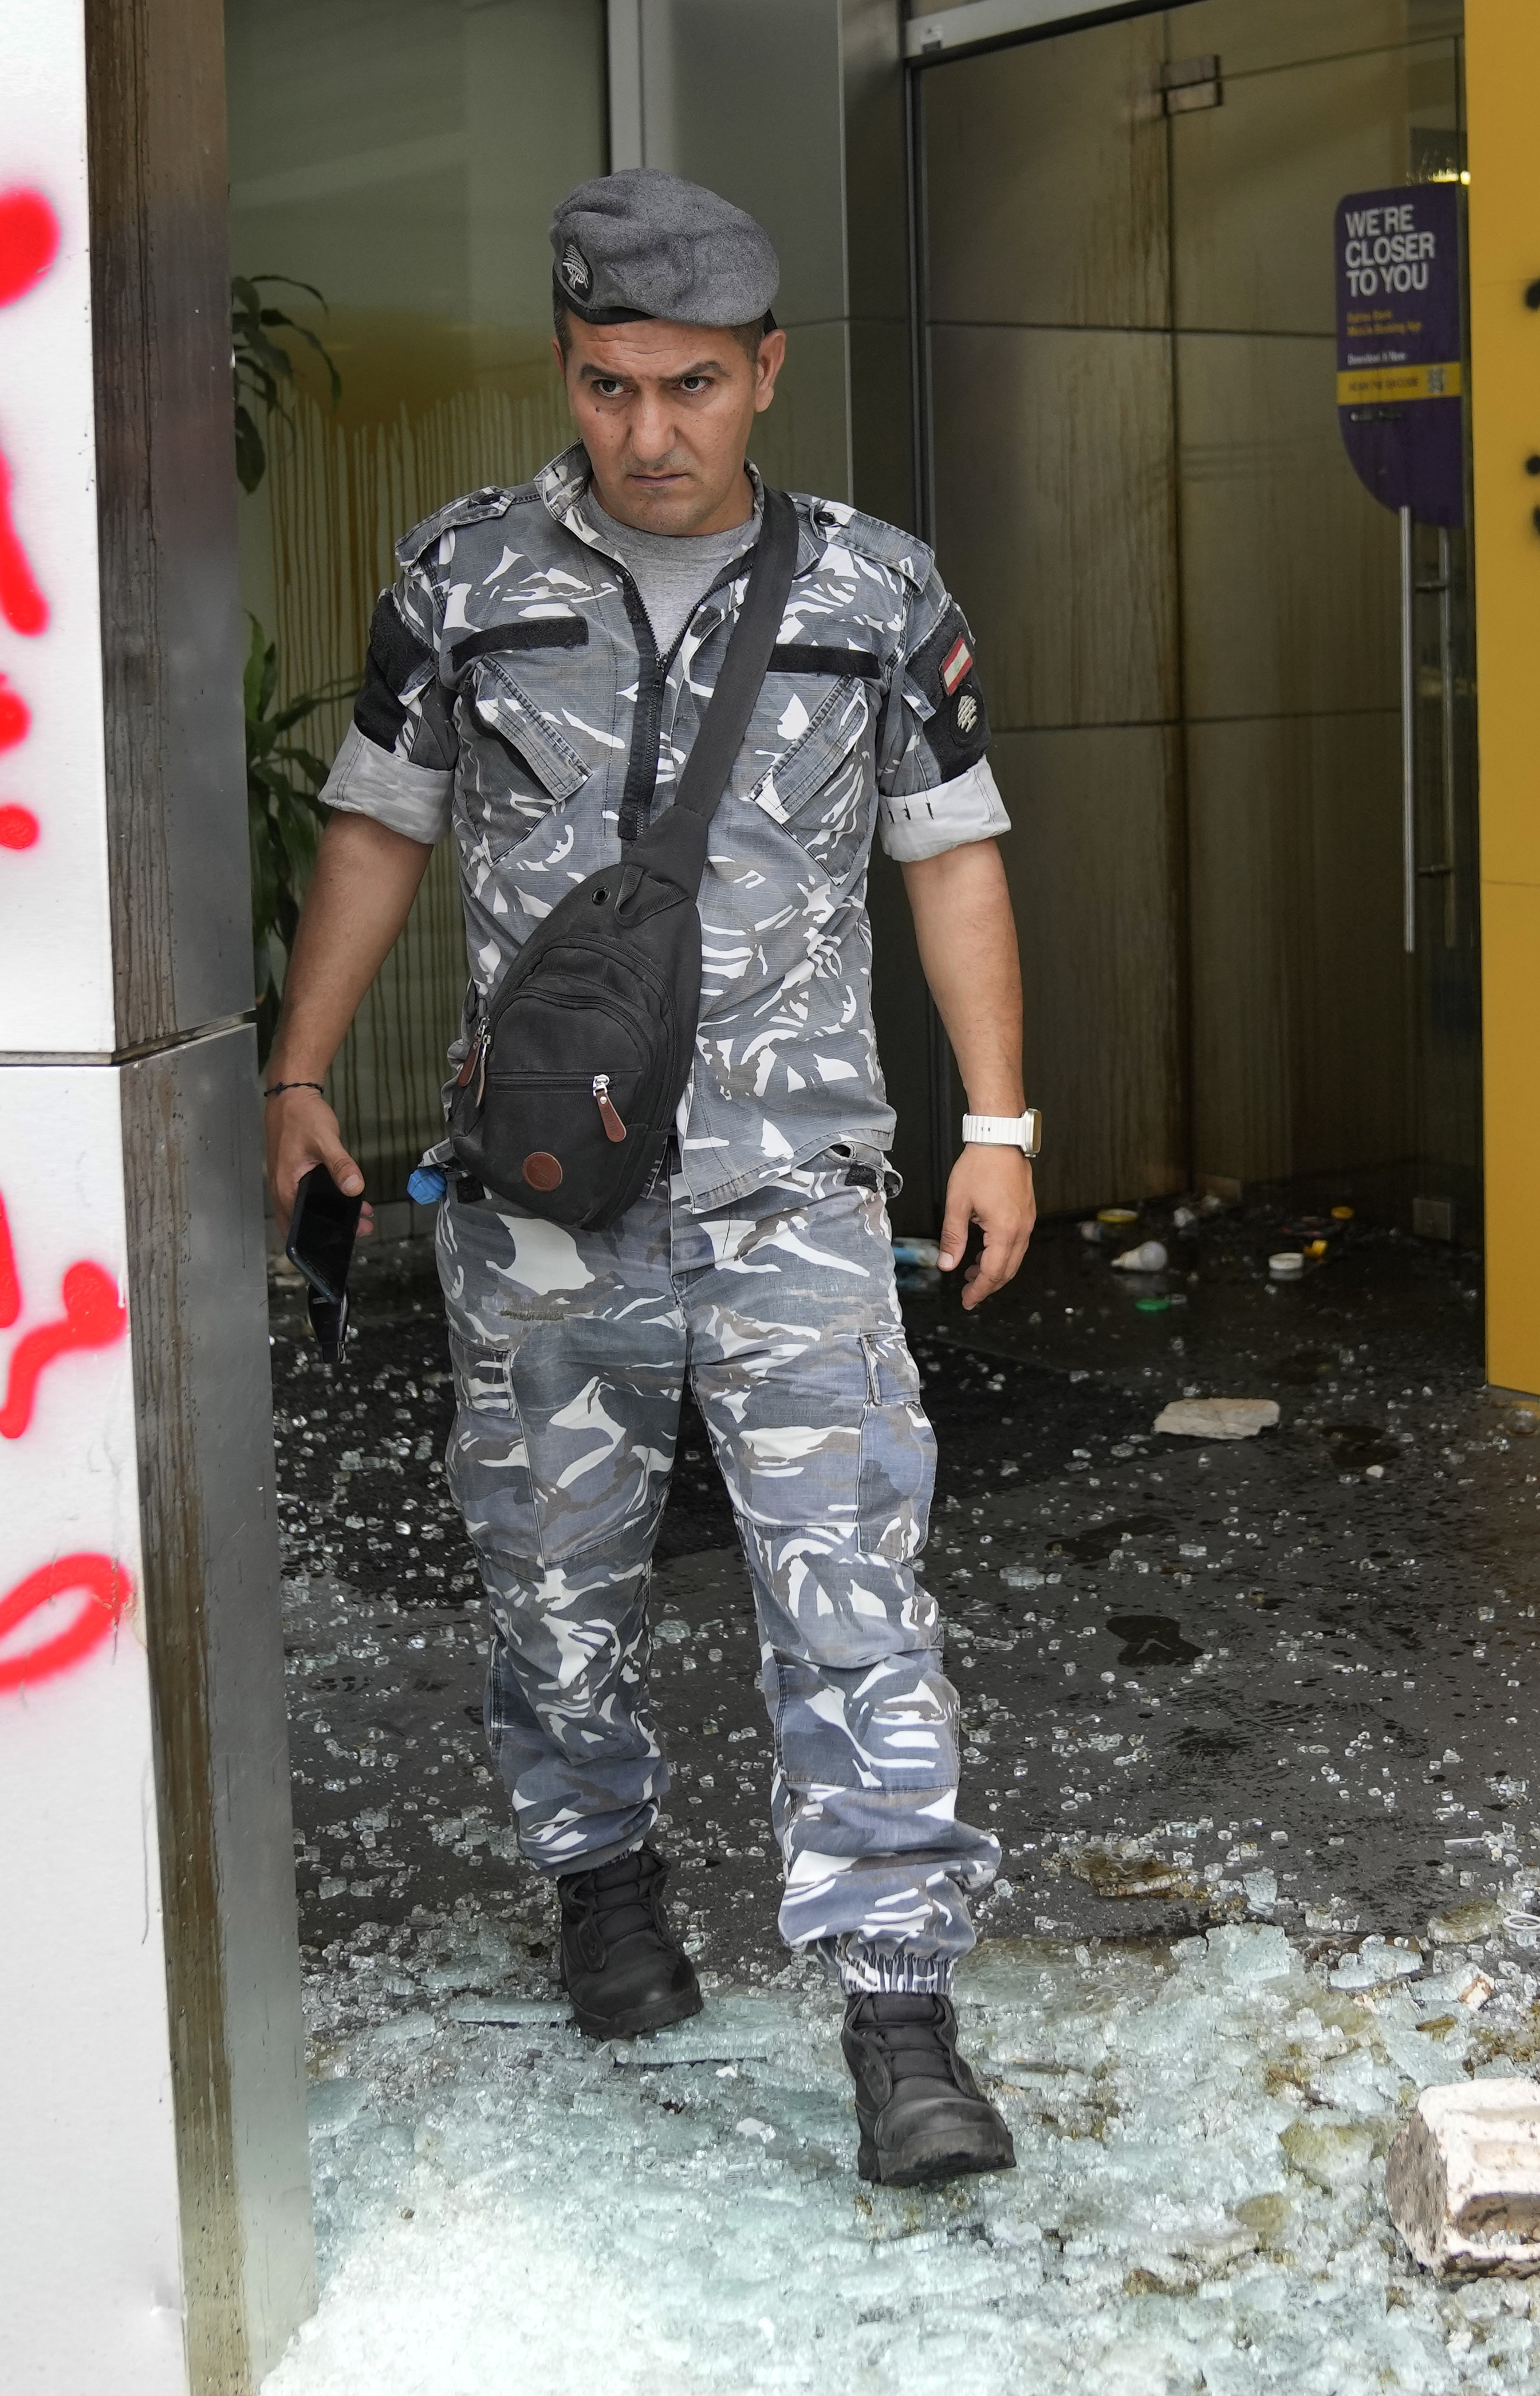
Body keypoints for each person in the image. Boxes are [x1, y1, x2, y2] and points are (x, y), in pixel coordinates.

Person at [263, 170, 1039, 2190]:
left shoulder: (878, 592)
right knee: (548, 1585)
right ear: (569, 369)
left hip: (795, 1194)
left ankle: (899, 2011)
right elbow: (377, 833)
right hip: (537, 1202)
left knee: (850, 1588)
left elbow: (952, 854)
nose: (652, 431)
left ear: (766, 370)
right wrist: (299, 1075)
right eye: (612, 385)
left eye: (695, 384)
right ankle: (600, 1874)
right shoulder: (464, 577)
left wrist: (1003, 1123)